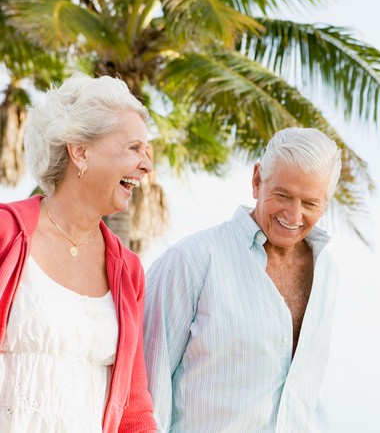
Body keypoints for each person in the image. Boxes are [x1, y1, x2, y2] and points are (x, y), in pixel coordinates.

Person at [144, 127, 342, 432]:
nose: (293, 214)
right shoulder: (189, 261)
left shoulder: (326, 272)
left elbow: (302, 391)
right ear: (257, 180)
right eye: (283, 195)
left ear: (326, 202)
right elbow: (147, 390)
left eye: (310, 203)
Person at [0, 73, 158, 432]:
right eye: (134, 148)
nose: (147, 165)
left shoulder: (128, 270)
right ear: (80, 151)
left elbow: (134, 409)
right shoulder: (6, 234)